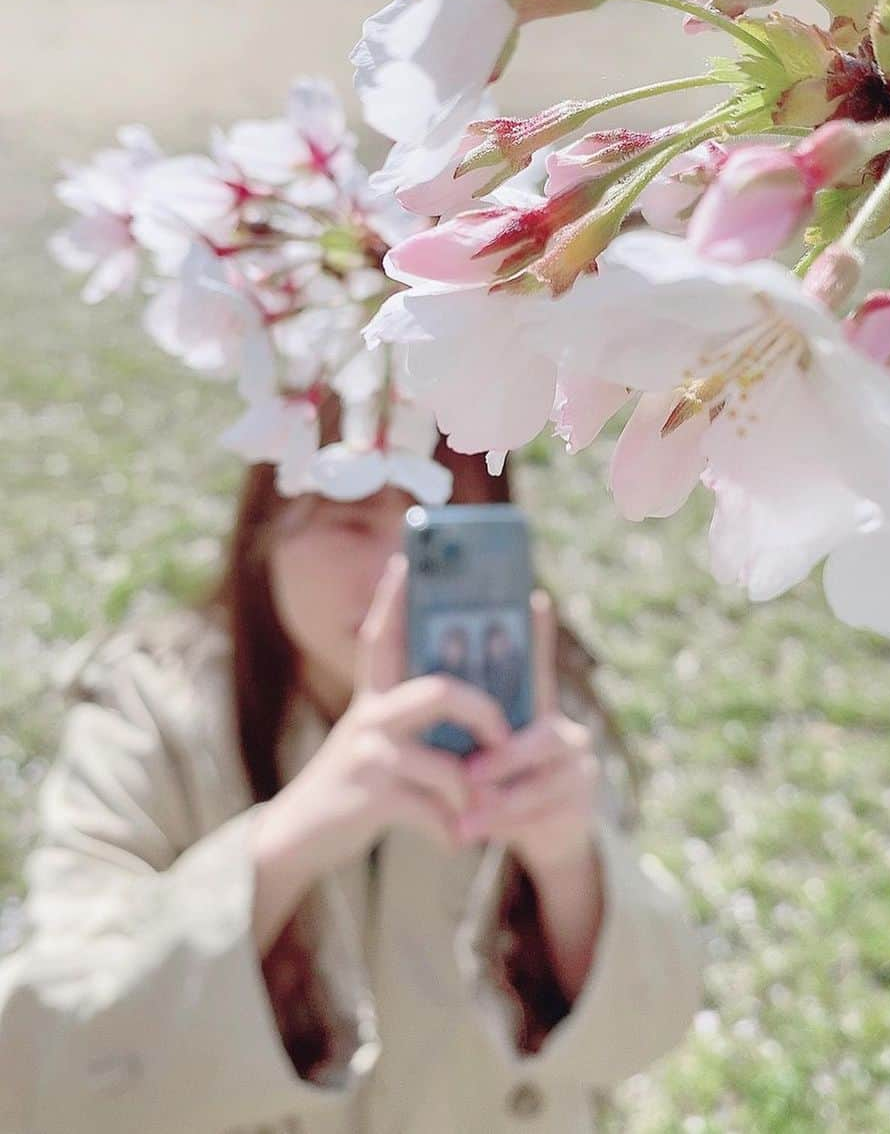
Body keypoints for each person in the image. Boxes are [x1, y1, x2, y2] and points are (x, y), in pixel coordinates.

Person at [0, 403, 703, 1134]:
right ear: (265, 525)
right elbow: (41, 1065)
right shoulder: (154, 713)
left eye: (438, 530)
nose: (394, 573)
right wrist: (285, 842)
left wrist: (570, 866)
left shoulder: (541, 713)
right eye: (350, 517)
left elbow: (641, 1037)